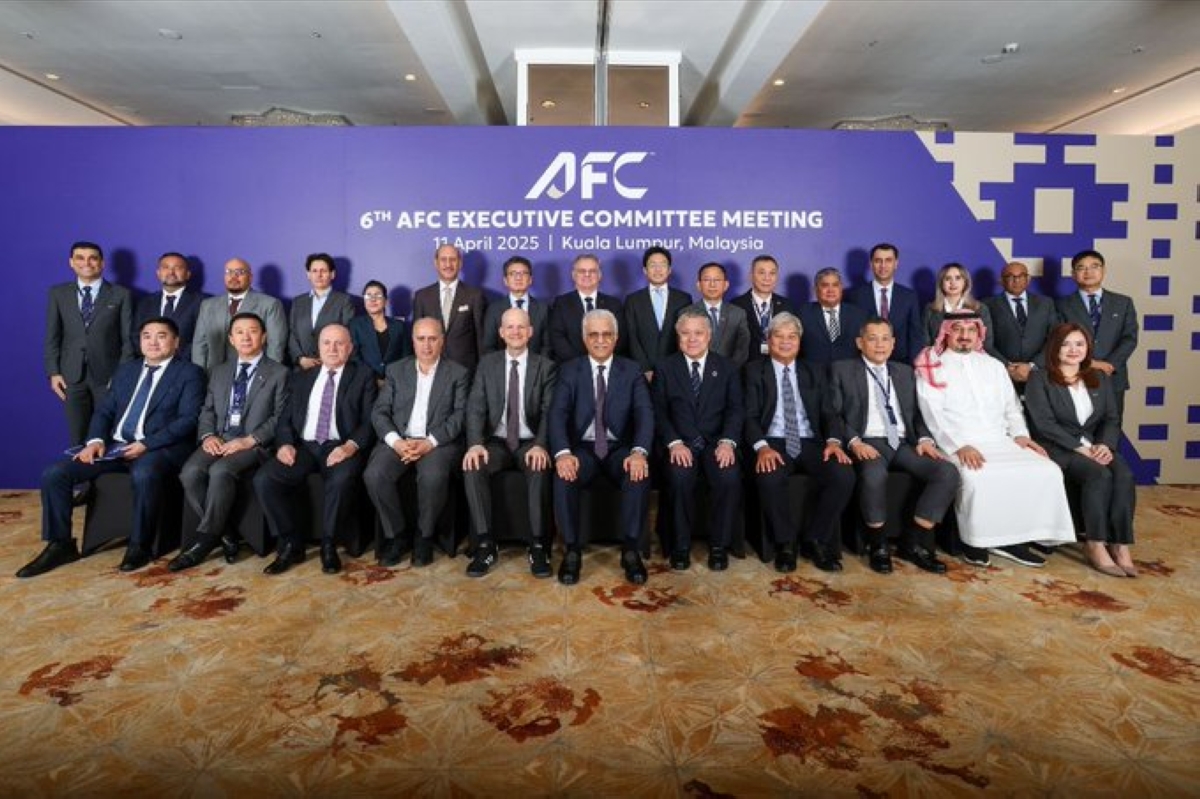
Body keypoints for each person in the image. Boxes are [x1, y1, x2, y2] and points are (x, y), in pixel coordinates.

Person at [18, 317, 204, 577]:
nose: (153, 342)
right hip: (116, 448)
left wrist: (146, 444)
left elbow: (189, 419)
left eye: (161, 336)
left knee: (144, 473)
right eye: (146, 336)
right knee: (55, 473)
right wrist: (95, 441)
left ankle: (140, 545)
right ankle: (60, 544)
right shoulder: (126, 370)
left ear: (176, 342)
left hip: (160, 447)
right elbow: (104, 411)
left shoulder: (189, 373)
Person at [915, 312, 1075, 567]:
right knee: (978, 476)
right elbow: (932, 415)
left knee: (1047, 470)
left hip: (1001, 440)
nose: (965, 335)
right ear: (946, 332)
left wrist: (1021, 436)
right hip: (959, 443)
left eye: (971, 330)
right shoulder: (932, 366)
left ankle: (1021, 537)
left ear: (979, 334)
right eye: (958, 329)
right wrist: (958, 446)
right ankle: (976, 542)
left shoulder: (994, 366)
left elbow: (1012, 408)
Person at [827, 318, 958, 574]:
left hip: (903, 443)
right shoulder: (842, 370)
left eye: (885, 338)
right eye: (872, 338)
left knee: (947, 472)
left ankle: (914, 542)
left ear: (893, 343)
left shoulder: (905, 372)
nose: (880, 345)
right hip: (868, 441)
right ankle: (878, 544)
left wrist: (924, 439)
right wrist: (854, 442)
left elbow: (918, 414)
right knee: (874, 475)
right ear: (860, 343)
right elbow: (833, 414)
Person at [169, 312, 289, 571]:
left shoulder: (279, 373)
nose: (246, 337)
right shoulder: (220, 371)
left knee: (221, 470)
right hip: (220, 438)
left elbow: (281, 417)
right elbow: (207, 410)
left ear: (264, 337)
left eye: (253, 331)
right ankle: (224, 532)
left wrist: (249, 440)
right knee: (190, 472)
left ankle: (204, 541)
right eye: (239, 332)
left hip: (254, 444)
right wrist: (208, 435)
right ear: (231, 339)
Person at [253, 324, 376, 575]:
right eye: (326, 343)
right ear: (318, 348)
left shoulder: (363, 376)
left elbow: (369, 421)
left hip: (340, 445)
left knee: (341, 479)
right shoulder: (302, 377)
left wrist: (350, 446)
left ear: (350, 348)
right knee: (265, 479)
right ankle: (290, 543)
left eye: (339, 343)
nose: (332, 348)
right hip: (305, 446)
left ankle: (329, 544)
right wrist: (285, 444)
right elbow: (285, 418)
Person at [744, 312, 856, 572]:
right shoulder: (753, 371)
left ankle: (815, 539)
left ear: (799, 341)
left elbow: (829, 412)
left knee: (843, 475)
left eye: (792, 337)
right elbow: (749, 416)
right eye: (779, 336)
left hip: (811, 441)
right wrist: (762, 448)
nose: (785, 342)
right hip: (773, 440)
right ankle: (785, 543)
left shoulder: (814, 370)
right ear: (769, 339)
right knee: (769, 476)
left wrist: (833, 442)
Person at [549, 309, 653, 585]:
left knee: (638, 474)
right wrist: (563, 454)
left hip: (620, 448)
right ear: (584, 338)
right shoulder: (570, 370)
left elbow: (645, 414)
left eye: (607, 334)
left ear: (616, 338)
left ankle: (631, 550)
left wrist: (639, 452)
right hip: (582, 449)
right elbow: (557, 414)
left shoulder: (631, 370)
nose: (600, 340)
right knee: (563, 476)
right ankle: (572, 551)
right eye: (593, 334)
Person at [1025, 323, 1137, 577]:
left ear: (1088, 348)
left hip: (1094, 445)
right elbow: (1044, 424)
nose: (1073, 350)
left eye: (1079, 344)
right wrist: (1078, 448)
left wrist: (1105, 445)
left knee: (1123, 474)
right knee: (1099, 475)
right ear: (1055, 348)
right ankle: (1095, 543)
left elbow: (1111, 418)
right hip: (1057, 446)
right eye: (1066, 344)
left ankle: (1120, 544)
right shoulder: (1039, 378)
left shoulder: (1100, 378)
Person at [364, 318, 469, 568]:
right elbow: (379, 412)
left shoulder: (458, 373)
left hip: (437, 443)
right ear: (413, 341)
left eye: (433, 339)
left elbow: (460, 416)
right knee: (374, 475)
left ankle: (424, 536)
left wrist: (430, 442)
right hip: (400, 440)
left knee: (433, 476)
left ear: (442, 341)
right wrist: (396, 442)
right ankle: (397, 535)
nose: (426, 345)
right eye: (421, 339)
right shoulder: (396, 370)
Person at [462, 308, 557, 578]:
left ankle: (538, 545)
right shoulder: (487, 364)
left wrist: (541, 444)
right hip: (496, 442)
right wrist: (475, 443)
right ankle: (485, 544)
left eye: (521, 327)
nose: (516, 332)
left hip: (530, 441)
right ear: (501, 333)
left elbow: (550, 412)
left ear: (530, 332)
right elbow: (475, 408)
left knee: (539, 467)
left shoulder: (545, 367)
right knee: (473, 466)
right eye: (510, 327)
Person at [650, 308, 743, 572]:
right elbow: (658, 411)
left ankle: (719, 546)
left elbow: (736, 409)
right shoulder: (665, 367)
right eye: (685, 333)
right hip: (680, 443)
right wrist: (674, 443)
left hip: (716, 443)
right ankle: (680, 546)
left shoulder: (726, 367)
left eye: (698, 333)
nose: (692, 339)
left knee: (728, 476)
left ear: (709, 336)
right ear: (678, 336)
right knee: (679, 477)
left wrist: (728, 442)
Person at [44, 240, 134, 446]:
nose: (86, 263)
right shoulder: (58, 293)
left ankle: (105, 469)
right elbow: (52, 336)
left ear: (102, 263)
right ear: (71, 262)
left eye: (93, 258)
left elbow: (128, 340)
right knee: (77, 436)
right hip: (71, 376)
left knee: (106, 434)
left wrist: (121, 375)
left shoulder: (121, 294)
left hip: (108, 376)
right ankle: (79, 468)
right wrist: (53, 372)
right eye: (80, 258)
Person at [1054, 249, 1139, 421]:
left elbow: (1129, 338)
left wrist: (1110, 364)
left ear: (1103, 270)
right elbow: (1058, 340)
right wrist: (1089, 363)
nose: (1088, 272)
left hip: (1112, 376)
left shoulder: (1123, 303)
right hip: (1075, 375)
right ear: (1073, 274)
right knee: (1077, 426)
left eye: (1094, 266)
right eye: (1081, 268)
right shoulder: (1061, 305)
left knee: (1111, 426)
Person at [193, 258, 286, 372]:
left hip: (255, 373)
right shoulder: (208, 305)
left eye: (240, 272)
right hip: (213, 373)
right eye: (229, 272)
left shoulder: (270, 304)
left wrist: (269, 375)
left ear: (250, 277)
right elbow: (199, 344)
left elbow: (276, 345)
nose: (233, 277)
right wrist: (199, 374)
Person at [983, 261, 1060, 394]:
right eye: (1010, 276)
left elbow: (1055, 337)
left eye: (1021, 276)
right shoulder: (987, 305)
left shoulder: (1045, 303)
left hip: (1039, 373)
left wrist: (1032, 366)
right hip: (1002, 375)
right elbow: (985, 341)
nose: (1016, 280)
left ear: (1028, 279)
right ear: (1001, 281)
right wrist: (1008, 366)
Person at [846, 243, 924, 363]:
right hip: (864, 364)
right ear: (871, 264)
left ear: (896, 264)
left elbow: (915, 336)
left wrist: (912, 366)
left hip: (901, 365)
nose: (883, 265)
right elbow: (851, 334)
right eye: (878, 261)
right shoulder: (855, 295)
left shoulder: (909, 296)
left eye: (888, 260)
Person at [411, 244, 485, 370]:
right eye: (443, 260)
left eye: (453, 259)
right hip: (431, 369)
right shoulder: (422, 296)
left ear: (460, 263)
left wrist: (482, 371)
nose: (448, 264)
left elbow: (481, 337)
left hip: (466, 370)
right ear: (436, 263)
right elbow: (417, 336)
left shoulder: (475, 296)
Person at [623, 246, 692, 380]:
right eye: (653, 265)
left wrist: (676, 366)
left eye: (662, 265)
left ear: (669, 270)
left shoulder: (684, 299)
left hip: (675, 371)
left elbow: (686, 335)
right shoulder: (633, 300)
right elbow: (632, 337)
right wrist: (644, 368)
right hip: (642, 372)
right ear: (645, 270)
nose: (658, 269)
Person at [131, 251, 207, 362]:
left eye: (177, 268)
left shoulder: (203, 302)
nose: (171, 272)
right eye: (166, 267)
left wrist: (174, 362)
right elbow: (135, 335)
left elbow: (204, 340)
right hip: (150, 364)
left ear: (188, 274)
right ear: (158, 273)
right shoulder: (144, 302)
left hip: (187, 364)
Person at [547, 254, 624, 362]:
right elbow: (557, 337)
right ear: (574, 275)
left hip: (607, 365)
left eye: (592, 271)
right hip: (572, 365)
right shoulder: (561, 303)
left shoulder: (614, 304)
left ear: (599, 275)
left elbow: (620, 338)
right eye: (582, 271)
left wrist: (602, 360)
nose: (587, 275)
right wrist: (582, 364)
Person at [287, 253, 356, 370]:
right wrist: (300, 358)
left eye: (323, 271)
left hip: (332, 367)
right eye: (314, 271)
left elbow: (347, 333)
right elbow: (292, 333)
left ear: (332, 274)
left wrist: (328, 358)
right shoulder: (298, 302)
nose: (319, 275)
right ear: (308, 275)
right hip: (301, 368)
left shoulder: (344, 301)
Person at [922, 263, 1000, 360]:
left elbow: (987, 344)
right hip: (940, 362)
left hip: (973, 362)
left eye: (958, 278)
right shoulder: (930, 309)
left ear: (965, 282)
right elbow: (925, 343)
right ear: (941, 283)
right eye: (947, 278)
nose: (953, 283)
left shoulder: (980, 309)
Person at [730, 254, 796, 364]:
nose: (767, 278)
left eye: (772, 273)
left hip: (777, 367)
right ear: (751, 276)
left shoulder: (787, 306)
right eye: (761, 273)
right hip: (745, 369)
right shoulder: (736, 305)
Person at [797, 267, 869, 368]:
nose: (830, 290)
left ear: (841, 288)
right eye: (825, 285)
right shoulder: (803, 314)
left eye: (835, 285)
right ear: (816, 289)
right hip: (812, 373)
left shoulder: (859, 315)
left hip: (849, 374)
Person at [687, 262, 750, 369]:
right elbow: (685, 346)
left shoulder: (738, 313)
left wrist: (729, 370)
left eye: (717, 280)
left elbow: (742, 348)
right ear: (699, 285)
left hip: (730, 372)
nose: (712, 285)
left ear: (726, 285)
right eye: (707, 280)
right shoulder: (687, 313)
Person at [482, 256, 548, 355]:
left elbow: (547, 346)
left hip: (537, 363)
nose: (518, 278)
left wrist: (538, 364)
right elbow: (489, 346)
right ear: (505, 280)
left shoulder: (543, 309)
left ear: (530, 279)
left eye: (523, 273)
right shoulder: (494, 309)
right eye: (513, 273)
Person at [349, 279, 410, 383]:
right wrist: (372, 379)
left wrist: (392, 378)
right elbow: (354, 357)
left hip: (394, 381)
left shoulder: (399, 326)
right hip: (365, 382)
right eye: (368, 296)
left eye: (377, 295)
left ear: (386, 301)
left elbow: (406, 357)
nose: (373, 299)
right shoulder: (355, 325)